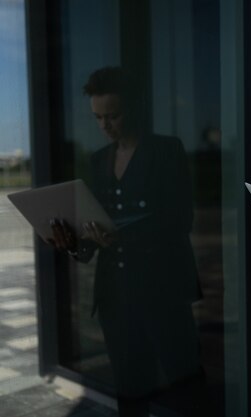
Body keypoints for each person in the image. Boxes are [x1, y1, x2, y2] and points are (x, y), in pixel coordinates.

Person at [47, 66, 205, 416]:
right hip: (115, 297)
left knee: (185, 384)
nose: (105, 125)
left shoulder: (166, 150)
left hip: (163, 291)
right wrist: (72, 241)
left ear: (134, 107)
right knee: (129, 390)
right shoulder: (98, 160)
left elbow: (181, 221)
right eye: (98, 117)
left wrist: (121, 233)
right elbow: (92, 233)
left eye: (113, 115)